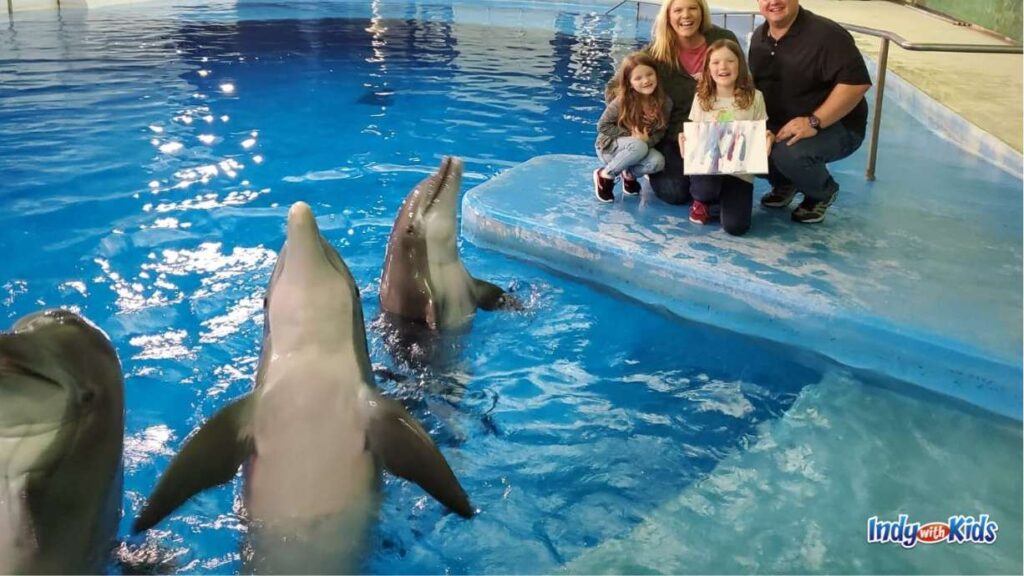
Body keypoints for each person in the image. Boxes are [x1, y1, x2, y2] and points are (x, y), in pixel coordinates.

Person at [749, 0, 871, 223]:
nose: (774, 2)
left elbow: (856, 84)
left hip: (835, 126)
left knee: (788, 153)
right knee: (746, 145)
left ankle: (822, 192)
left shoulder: (827, 35)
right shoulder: (760, 37)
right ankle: (786, 183)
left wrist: (814, 122)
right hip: (783, 123)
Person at [607, 0, 739, 206]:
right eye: (678, 10)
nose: (686, 15)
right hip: (672, 135)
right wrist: (635, 123)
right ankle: (638, 170)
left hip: (712, 131)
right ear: (668, 16)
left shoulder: (722, 40)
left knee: (715, 193)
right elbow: (615, 87)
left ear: (702, 11)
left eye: (692, 8)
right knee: (675, 194)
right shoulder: (655, 53)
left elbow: (743, 83)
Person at [682, 39, 771, 236]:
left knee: (736, 227)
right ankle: (703, 199)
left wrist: (765, 141)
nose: (723, 67)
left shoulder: (755, 97)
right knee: (706, 189)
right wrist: (686, 145)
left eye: (730, 61)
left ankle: (722, 201)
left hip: (738, 171)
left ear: (740, 64)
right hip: (708, 169)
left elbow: (759, 134)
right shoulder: (701, 97)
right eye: (715, 62)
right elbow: (695, 136)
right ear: (708, 68)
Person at [594, 52, 672, 203]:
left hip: (637, 149)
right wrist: (630, 134)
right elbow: (602, 126)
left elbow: (661, 131)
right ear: (629, 82)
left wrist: (647, 141)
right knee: (638, 146)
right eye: (638, 78)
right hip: (610, 148)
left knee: (657, 161)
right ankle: (605, 175)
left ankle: (629, 175)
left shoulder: (665, 103)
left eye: (649, 74)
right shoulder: (622, 101)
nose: (646, 81)